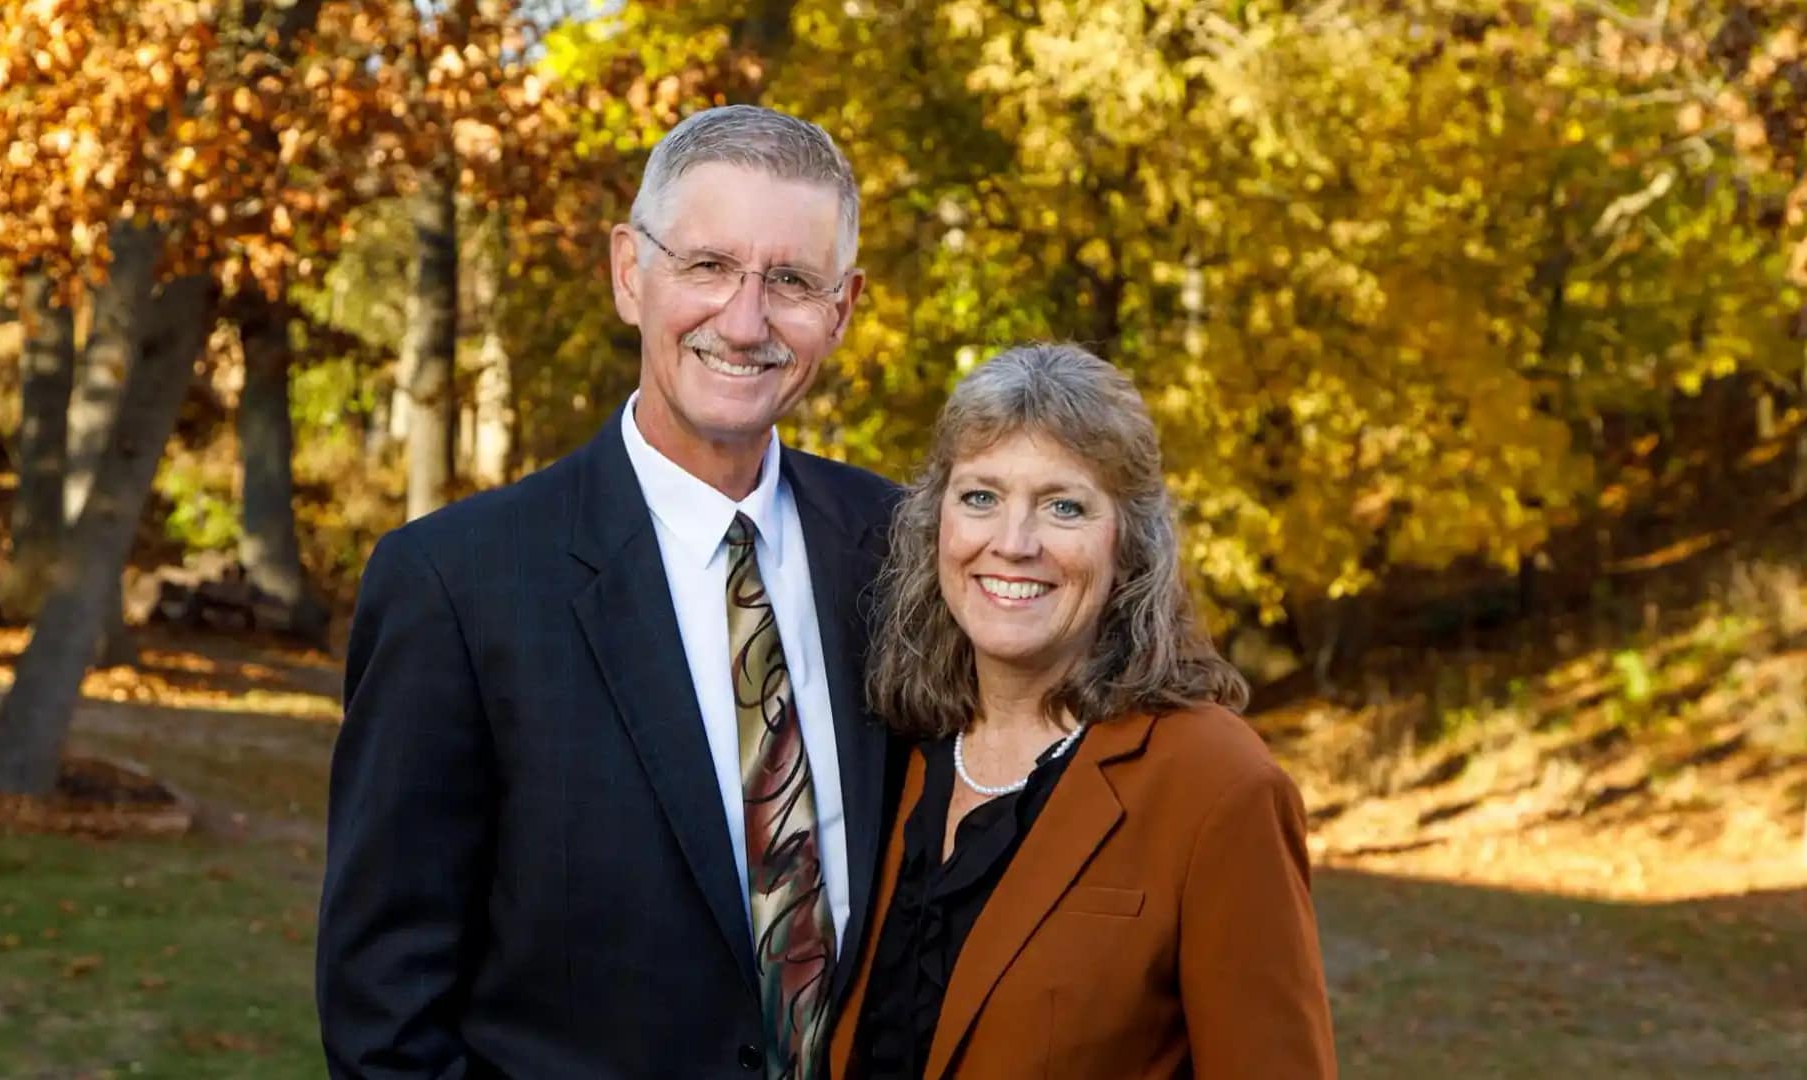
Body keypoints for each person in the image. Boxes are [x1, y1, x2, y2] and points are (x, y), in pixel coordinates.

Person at [317, 105, 900, 1079]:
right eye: (707, 266)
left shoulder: (902, 550)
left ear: (840, 309)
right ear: (631, 272)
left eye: (791, 281)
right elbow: (384, 1012)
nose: (746, 319)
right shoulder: (455, 587)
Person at [829, 343, 1337, 1078]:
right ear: (933, 522)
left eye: (1064, 506)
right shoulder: (883, 746)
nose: (1013, 543)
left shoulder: (1217, 786)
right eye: (980, 497)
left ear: (1129, 545)